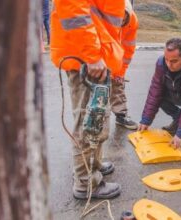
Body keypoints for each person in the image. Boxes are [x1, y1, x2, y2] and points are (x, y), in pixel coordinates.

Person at [50, 0, 125, 200]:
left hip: (98, 57)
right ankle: (85, 182)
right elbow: (74, 9)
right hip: (87, 59)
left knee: (98, 119)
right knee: (87, 122)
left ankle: (94, 164)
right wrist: (91, 56)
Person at [110, 1, 139, 130]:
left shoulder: (133, 21)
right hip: (100, 54)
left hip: (116, 57)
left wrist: (120, 73)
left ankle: (121, 116)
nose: (120, 22)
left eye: (123, 19)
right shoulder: (106, 16)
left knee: (118, 83)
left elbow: (128, 50)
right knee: (98, 88)